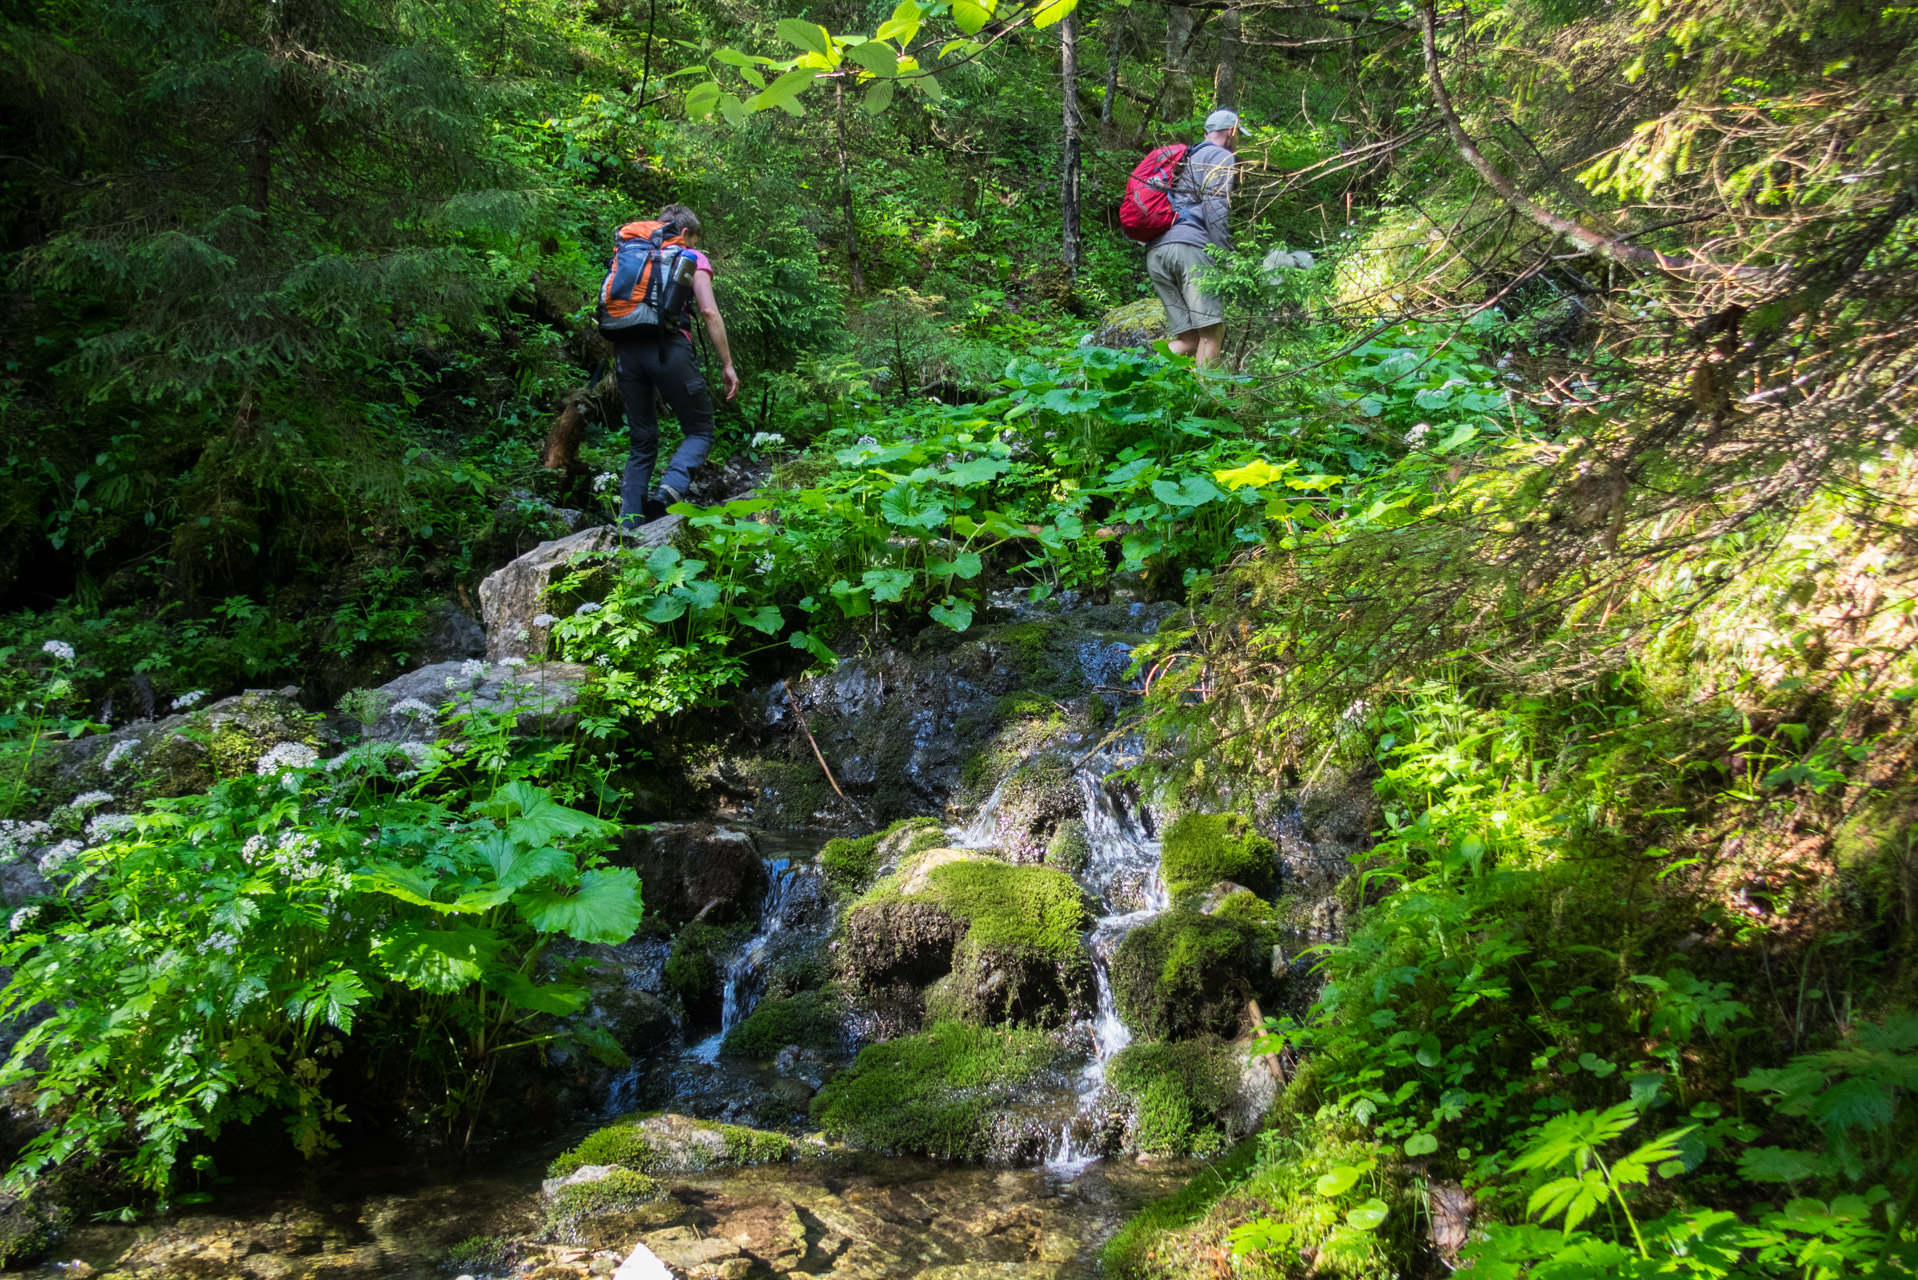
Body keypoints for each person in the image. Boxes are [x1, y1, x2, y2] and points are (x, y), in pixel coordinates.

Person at [611, 203, 740, 527]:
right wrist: (727, 364)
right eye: (693, 239)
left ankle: (629, 526)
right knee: (699, 429)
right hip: (669, 349)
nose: (694, 245)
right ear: (684, 233)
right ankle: (668, 493)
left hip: (626, 351)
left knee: (642, 440)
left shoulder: (631, 252)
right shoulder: (690, 257)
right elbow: (709, 311)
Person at [1145, 109, 1241, 367]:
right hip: (1189, 248)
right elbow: (1216, 207)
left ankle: (1138, 379)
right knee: (1212, 332)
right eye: (1239, 134)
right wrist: (1225, 256)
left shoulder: (1183, 157)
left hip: (1156, 250)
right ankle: (1204, 403)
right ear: (1231, 131)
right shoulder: (1220, 156)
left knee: (1188, 339)